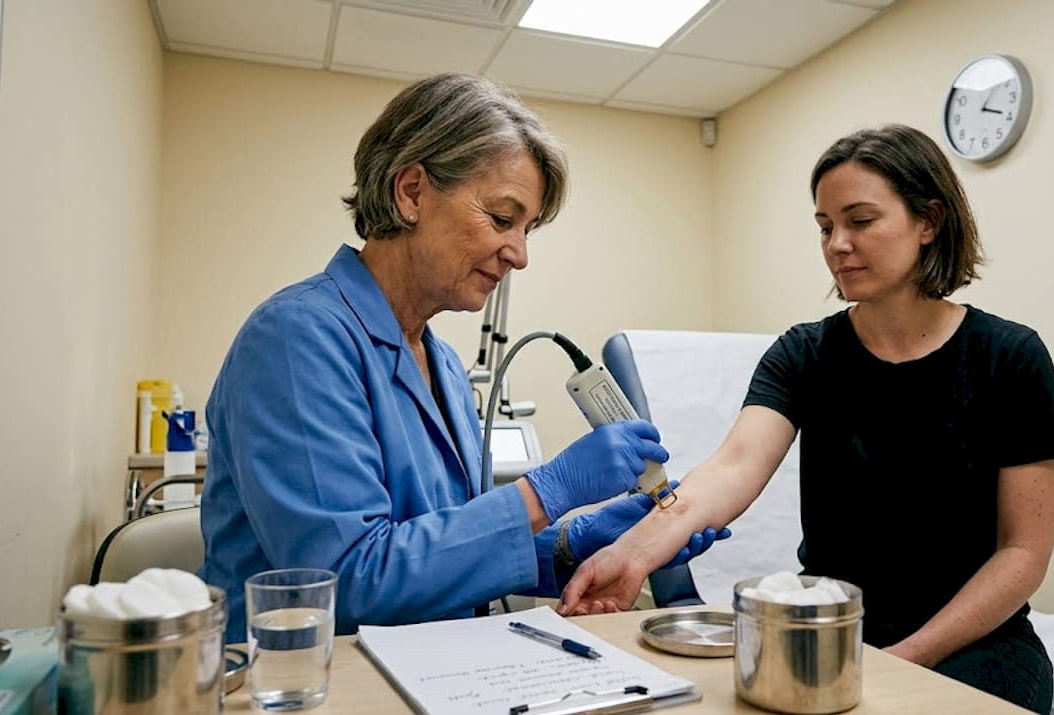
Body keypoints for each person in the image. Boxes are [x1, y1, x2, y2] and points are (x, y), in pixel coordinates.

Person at [558, 124, 1054, 714]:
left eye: (861, 221)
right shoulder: (804, 354)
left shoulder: (1009, 357)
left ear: (928, 221)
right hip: (825, 629)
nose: (837, 245)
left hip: (977, 642)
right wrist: (631, 554)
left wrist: (902, 658)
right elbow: (731, 468)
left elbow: (1022, 554)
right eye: (826, 227)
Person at [198, 73, 726, 640]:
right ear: (411, 193)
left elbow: (444, 552)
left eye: (527, 229)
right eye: (502, 219)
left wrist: (578, 544)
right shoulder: (295, 338)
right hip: (308, 674)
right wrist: (548, 490)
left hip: (431, 663)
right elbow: (348, 581)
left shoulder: (444, 365)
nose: (519, 255)